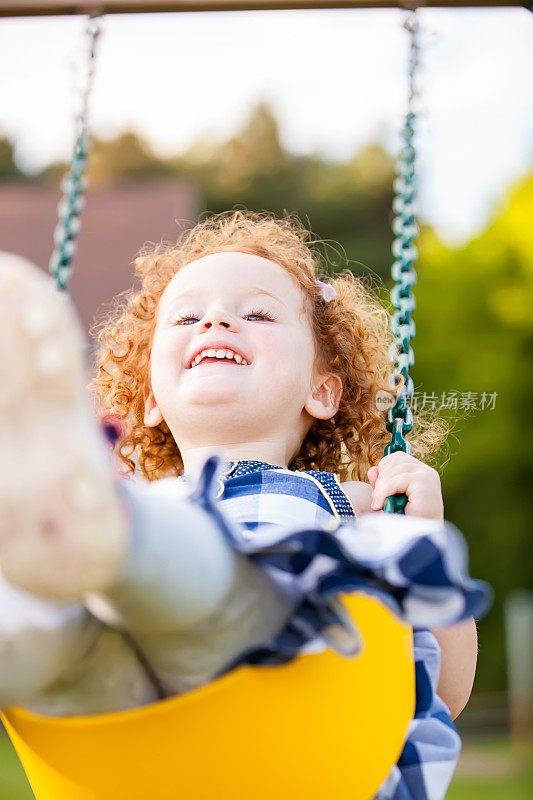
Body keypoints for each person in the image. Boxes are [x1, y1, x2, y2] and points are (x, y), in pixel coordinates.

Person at [0, 210, 488, 799]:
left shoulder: (356, 507)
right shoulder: (136, 502)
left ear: (322, 390)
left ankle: (106, 554)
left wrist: (421, 532)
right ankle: (27, 639)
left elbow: (445, 692)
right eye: (186, 317)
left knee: (186, 576)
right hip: (133, 743)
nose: (216, 320)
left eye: (256, 313)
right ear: (151, 399)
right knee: (78, 655)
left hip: (287, 714)